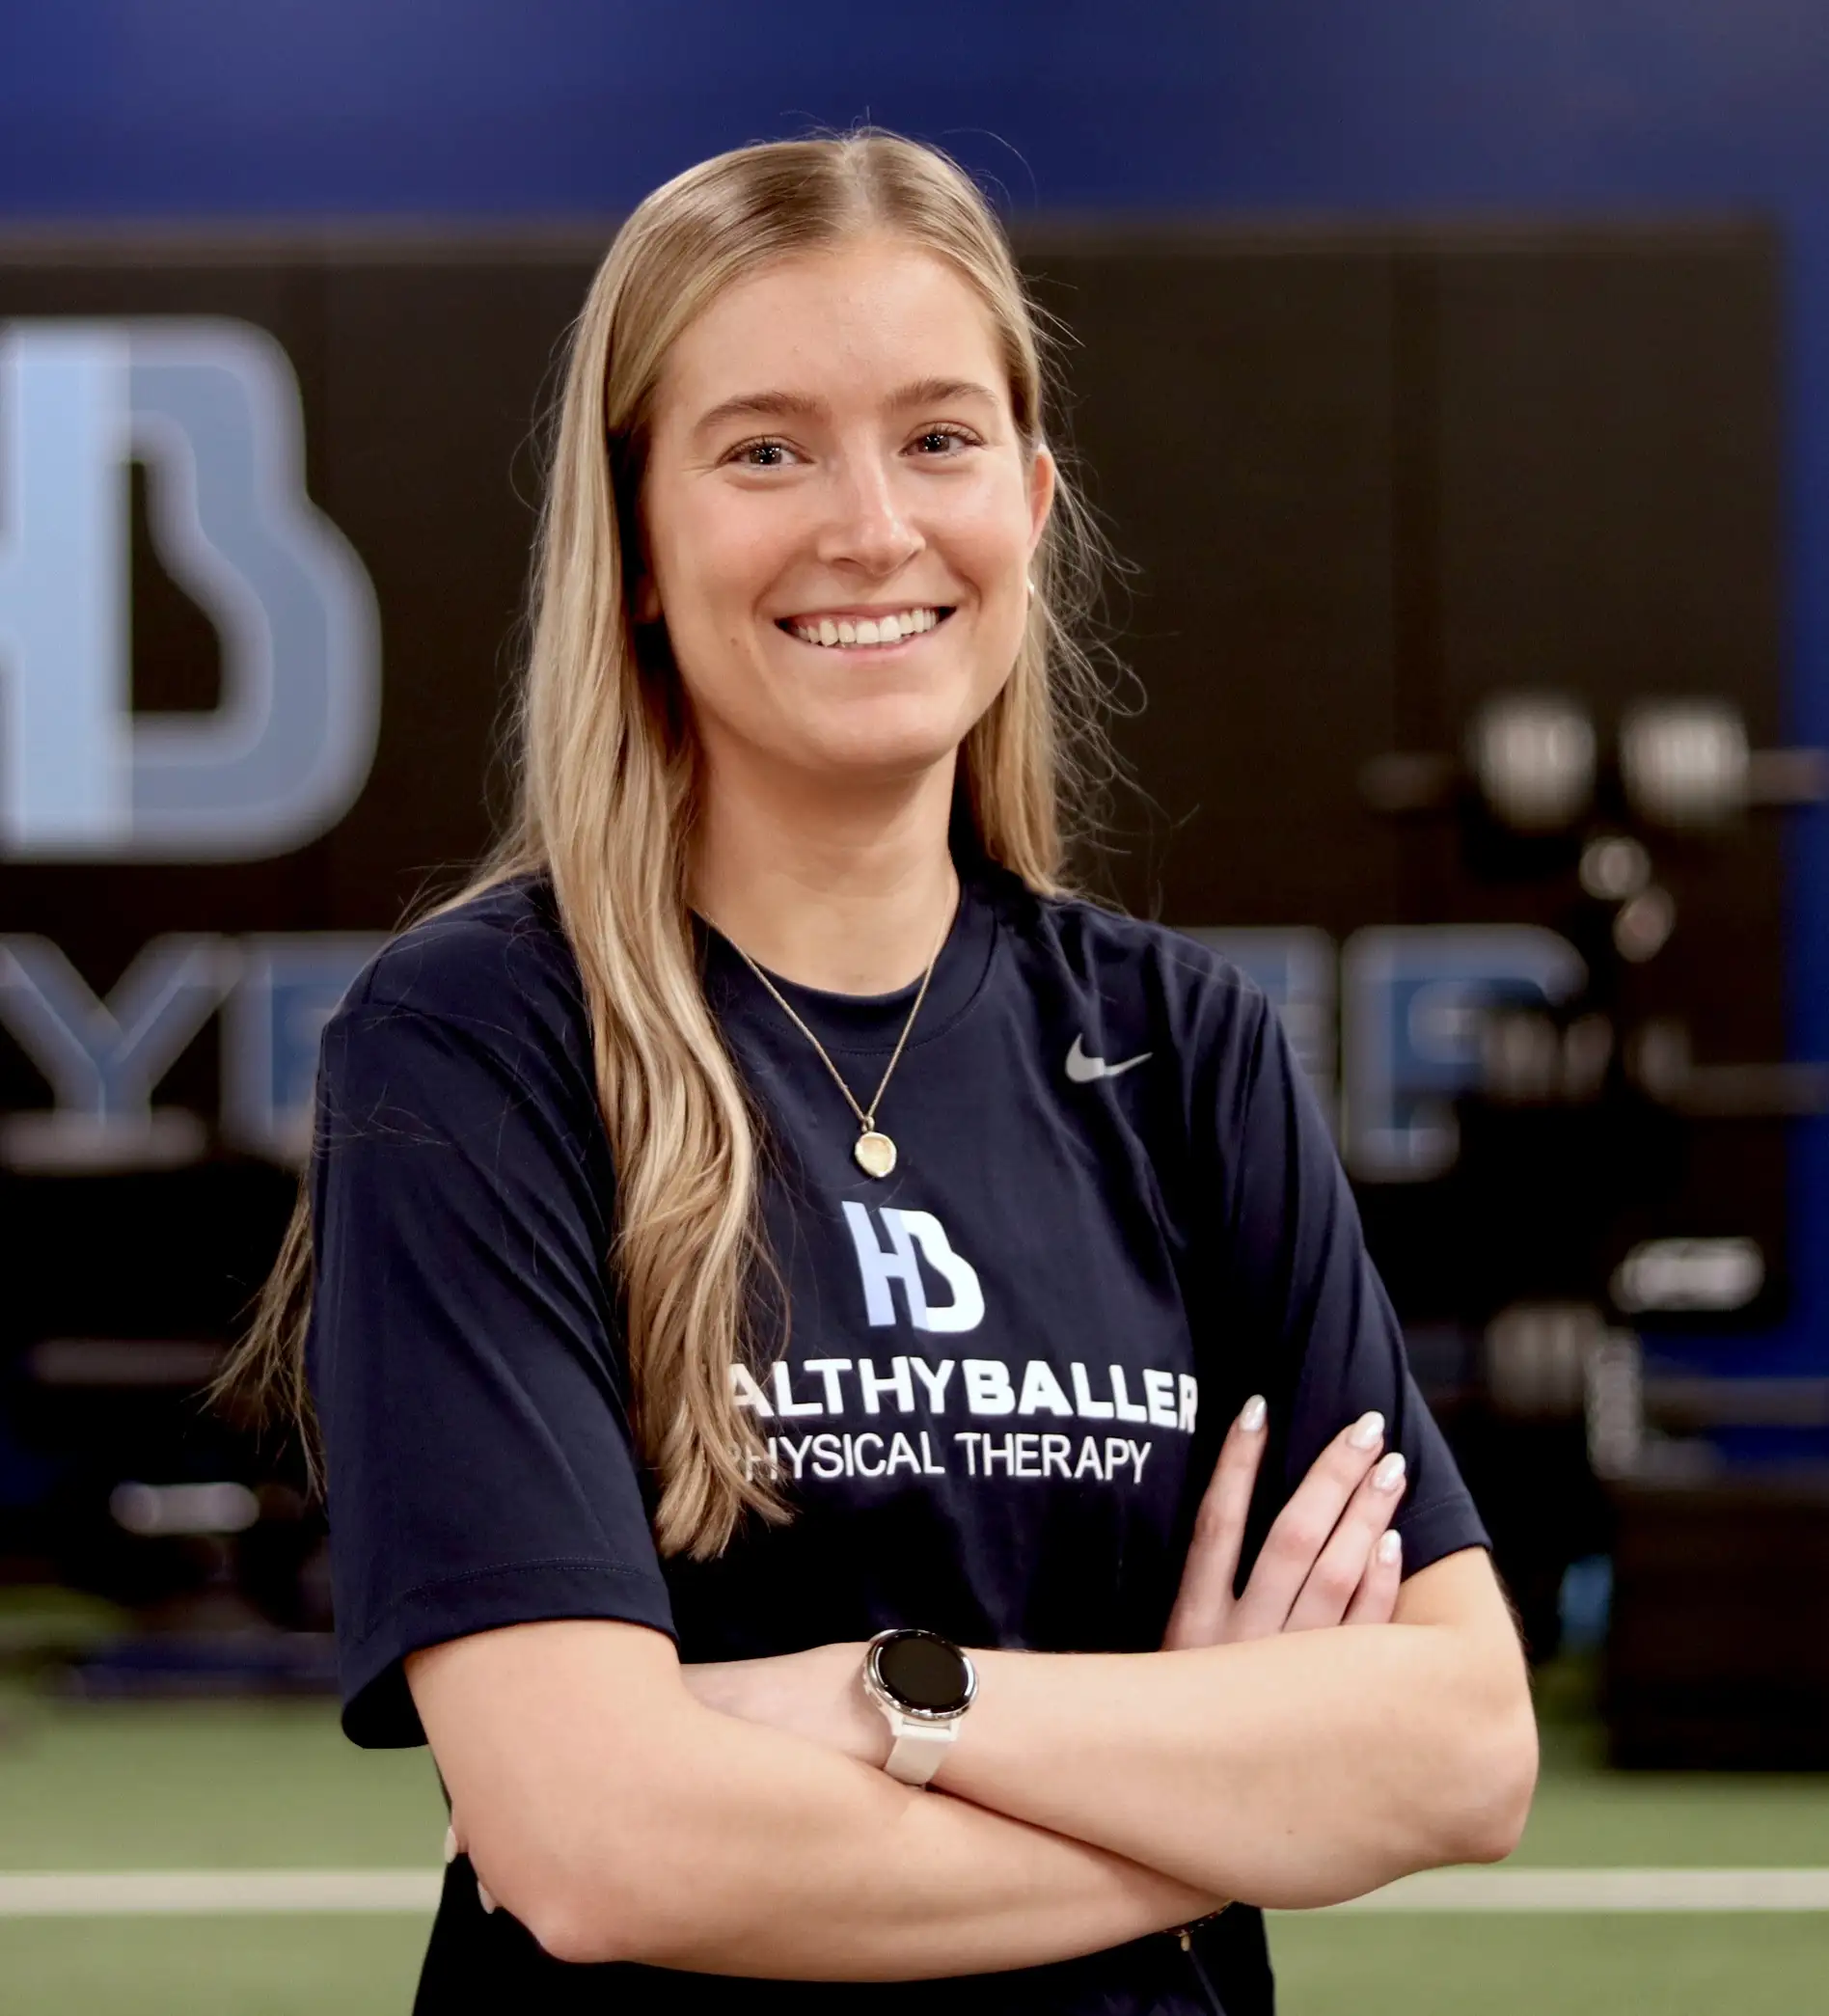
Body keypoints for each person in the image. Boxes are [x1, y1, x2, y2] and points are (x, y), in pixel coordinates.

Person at [226, 130, 1536, 2015]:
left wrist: (876, 1698)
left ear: (1034, 496)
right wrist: (1214, 1768)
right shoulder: (477, 1046)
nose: (871, 526)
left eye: (938, 437)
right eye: (766, 448)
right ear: (642, 542)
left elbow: (1466, 1742)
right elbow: (597, 1847)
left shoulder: (1185, 1050)